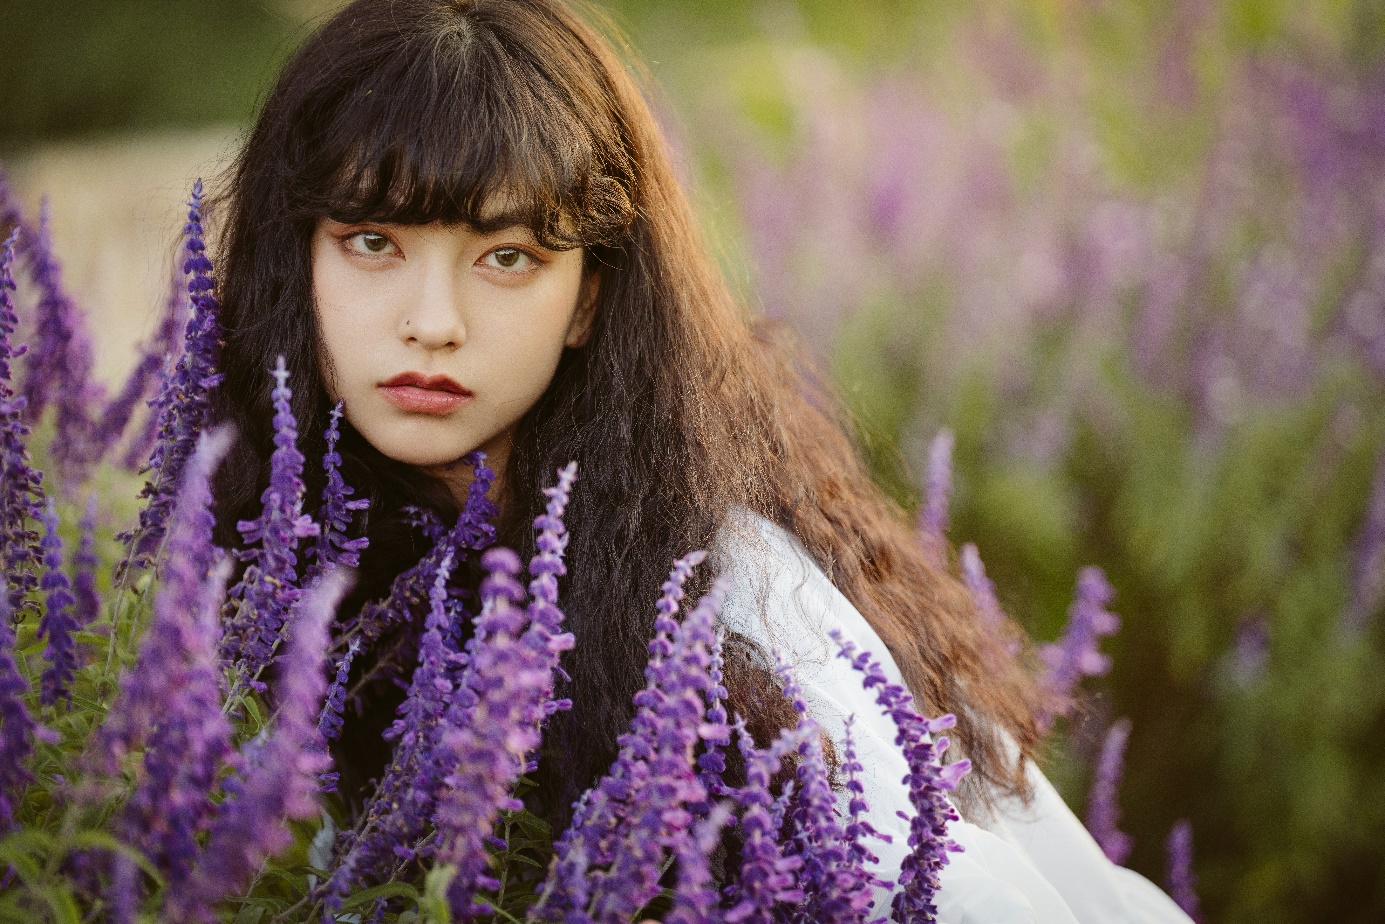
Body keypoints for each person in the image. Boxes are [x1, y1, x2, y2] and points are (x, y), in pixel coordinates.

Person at [208, 1, 1192, 920]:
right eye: (371, 242)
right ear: (297, 259)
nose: (433, 323)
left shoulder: (722, 592)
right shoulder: (233, 562)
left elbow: (943, 888)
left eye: (507, 257)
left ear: (588, 300)